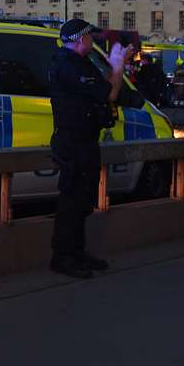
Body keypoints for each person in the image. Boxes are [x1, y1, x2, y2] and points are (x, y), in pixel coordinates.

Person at [47, 19, 129, 279]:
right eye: (90, 37)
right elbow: (109, 94)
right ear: (80, 39)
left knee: (82, 199)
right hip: (73, 140)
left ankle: (77, 251)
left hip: (85, 139)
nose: (92, 41)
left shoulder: (81, 63)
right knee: (71, 201)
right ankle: (63, 257)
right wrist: (118, 66)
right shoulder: (67, 64)